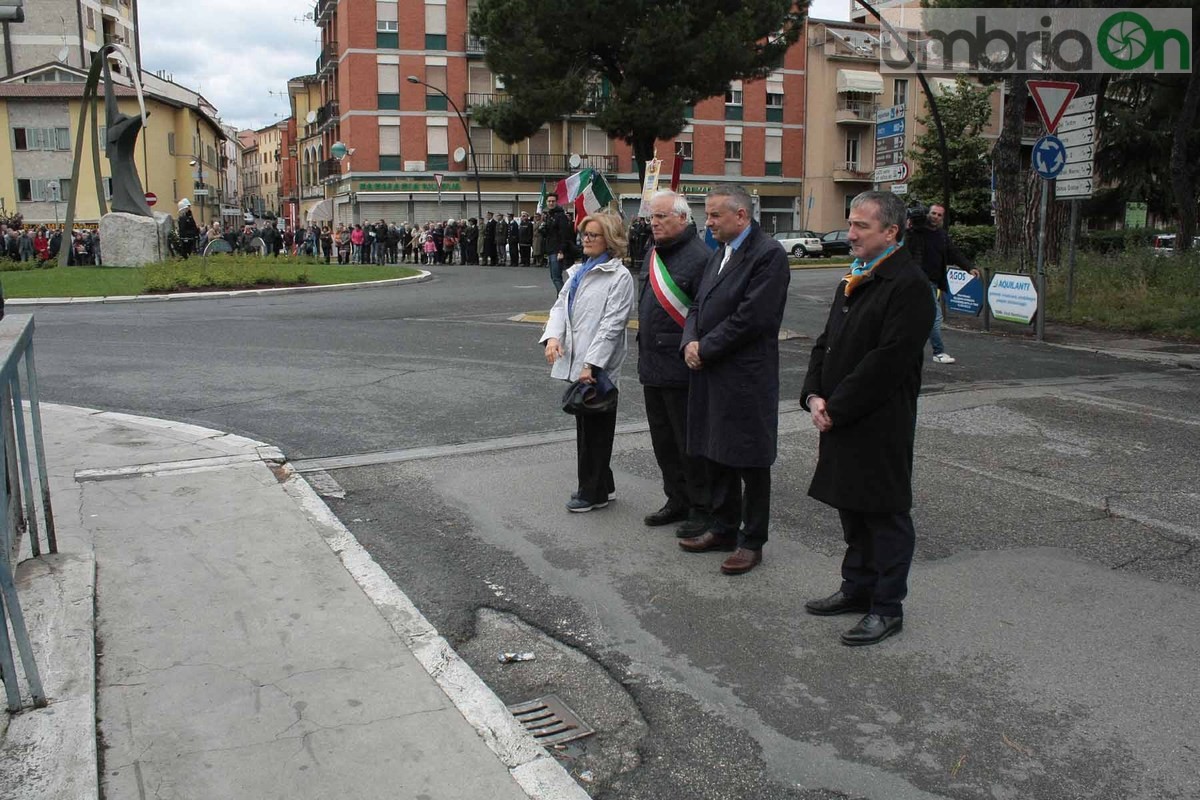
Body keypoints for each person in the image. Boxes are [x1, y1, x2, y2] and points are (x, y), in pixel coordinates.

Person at [801, 190, 935, 647]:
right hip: (840, 415)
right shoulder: (854, 278)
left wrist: (835, 407)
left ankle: (886, 606)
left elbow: (888, 362)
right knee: (852, 508)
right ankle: (856, 588)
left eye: (861, 226)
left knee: (884, 515)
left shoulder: (909, 285)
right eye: (851, 224)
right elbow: (827, 342)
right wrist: (814, 395)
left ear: (891, 232)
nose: (851, 233)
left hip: (879, 421)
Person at [678, 186, 790, 576]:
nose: (706, 223)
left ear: (741, 216)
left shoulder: (768, 254)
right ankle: (723, 528)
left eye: (714, 216)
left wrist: (704, 348)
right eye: (706, 216)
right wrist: (689, 340)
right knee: (716, 451)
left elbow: (752, 318)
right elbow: (697, 305)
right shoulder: (718, 254)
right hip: (712, 372)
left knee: (750, 459)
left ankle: (751, 541)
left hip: (745, 376)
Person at [539, 211, 635, 513]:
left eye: (593, 235)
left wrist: (590, 365)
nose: (585, 239)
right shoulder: (579, 271)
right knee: (587, 425)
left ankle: (590, 493)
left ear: (610, 239)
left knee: (596, 429)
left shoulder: (619, 277)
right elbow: (559, 307)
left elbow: (612, 325)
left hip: (597, 366)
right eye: (584, 234)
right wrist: (553, 338)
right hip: (577, 359)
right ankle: (603, 485)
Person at [637, 191, 712, 537]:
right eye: (653, 216)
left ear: (683, 218)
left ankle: (701, 506)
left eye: (662, 216)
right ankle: (676, 498)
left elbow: (704, 314)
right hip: (652, 363)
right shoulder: (651, 252)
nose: (654, 222)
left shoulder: (700, 257)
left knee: (688, 443)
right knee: (663, 440)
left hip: (682, 368)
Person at [914, 203, 979, 365]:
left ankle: (907, 351)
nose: (935, 217)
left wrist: (969, 267)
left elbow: (953, 253)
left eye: (939, 215)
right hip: (920, 280)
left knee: (916, 318)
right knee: (935, 316)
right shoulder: (917, 233)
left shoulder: (942, 235)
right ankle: (938, 352)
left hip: (934, 281)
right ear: (927, 214)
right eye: (933, 213)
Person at [544, 194, 574, 292]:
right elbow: (549, 233)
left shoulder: (561, 216)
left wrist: (561, 251)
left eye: (553, 201)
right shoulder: (549, 215)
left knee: (557, 277)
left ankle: (563, 299)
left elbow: (564, 234)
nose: (551, 203)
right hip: (551, 249)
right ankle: (561, 298)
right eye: (549, 201)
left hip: (557, 250)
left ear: (556, 202)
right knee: (554, 277)